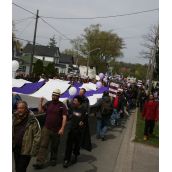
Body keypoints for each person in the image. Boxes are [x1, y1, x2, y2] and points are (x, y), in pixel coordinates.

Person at [33, 89, 67, 169]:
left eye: (55, 95)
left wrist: (62, 128)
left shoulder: (62, 105)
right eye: (53, 95)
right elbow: (41, 111)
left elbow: (64, 117)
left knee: (54, 146)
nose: (54, 96)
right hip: (46, 128)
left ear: (59, 96)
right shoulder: (48, 103)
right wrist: (40, 102)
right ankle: (39, 162)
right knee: (43, 145)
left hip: (56, 130)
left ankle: (53, 159)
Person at [13, 101, 41, 172]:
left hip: (26, 150)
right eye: (18, 108)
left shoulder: (33, 120)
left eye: (22, 108)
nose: (19, 110)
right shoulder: (14, 118)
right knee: (17, 167)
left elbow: (37, 136)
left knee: (21, 169)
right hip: (16, 147)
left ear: (26, 109)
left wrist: (34, 151)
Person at [63, 95, 87, 168]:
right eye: (73, 100)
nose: (73, 102)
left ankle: (75, 155)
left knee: (76, 145)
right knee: (69, 145)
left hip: (78, 131)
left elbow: (85, 119)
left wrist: (82, 122)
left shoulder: (83, 110)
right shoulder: (72, 107)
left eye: (75, 101)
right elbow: (68, 106)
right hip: (71, 130)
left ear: (79, 102)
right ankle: (66, 160)